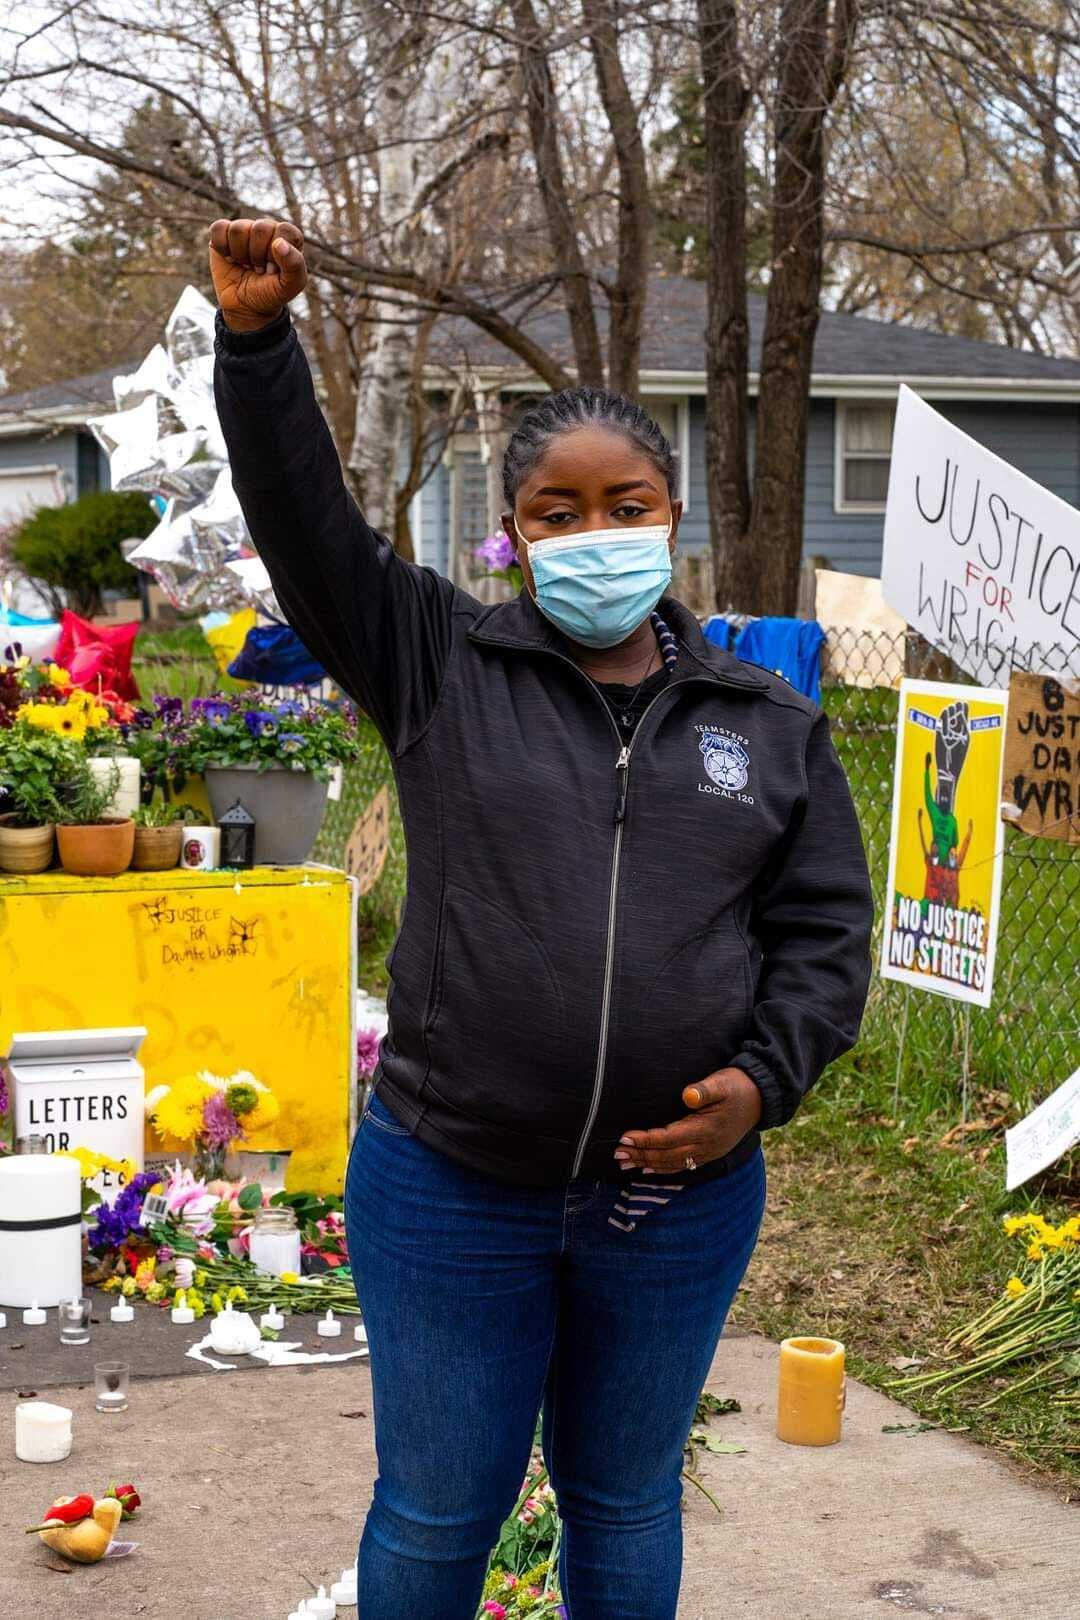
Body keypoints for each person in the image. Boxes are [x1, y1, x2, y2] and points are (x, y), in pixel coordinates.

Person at [209, 216, 875, 1620]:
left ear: (669, 515)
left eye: (623, 504)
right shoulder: (438, 661)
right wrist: (259, 345)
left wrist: (759, 1088)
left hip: (673, 1206)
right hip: (452, 1188)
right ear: (511, 535)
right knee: (438, 1512)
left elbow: (823, 941)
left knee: (625, 1504)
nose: (593, 535)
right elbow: (304, 525)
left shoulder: (770, 726)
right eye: (556, 514)